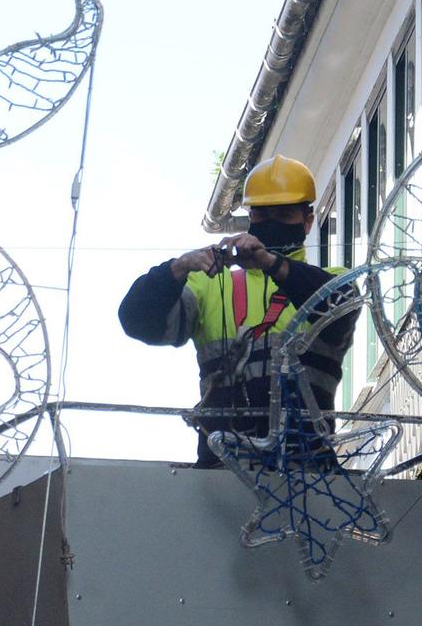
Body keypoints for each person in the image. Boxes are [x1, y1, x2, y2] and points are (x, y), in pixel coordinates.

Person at [118, 155, 357, 466]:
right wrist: (177, 269)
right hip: (222, 467)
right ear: (250, 217)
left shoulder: (334, 280)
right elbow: (137, 320)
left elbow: (336, 308)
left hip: (305, 467)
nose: (272, 224)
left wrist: (270, 263)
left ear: (307, 221)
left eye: (284, 215)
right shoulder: (206, 286)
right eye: (262, 215)